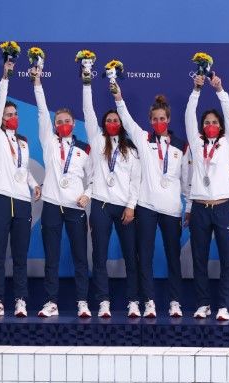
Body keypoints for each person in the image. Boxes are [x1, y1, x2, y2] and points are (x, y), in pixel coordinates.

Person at [113, 85, 188, 318]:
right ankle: (149, 302)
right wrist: (119, 97)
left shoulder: (181, 146)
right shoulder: (144, 139)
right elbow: (126, 120)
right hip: (146, 207)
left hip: (172, 210)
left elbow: (186, 181)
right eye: (154, 119)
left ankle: (175, 302)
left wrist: (189, 207)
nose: (158, 122)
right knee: (144, 256)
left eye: (162, 118)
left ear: (169, 119)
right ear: (150, 120)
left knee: (173, 257)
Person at [32, 64, 93, 318]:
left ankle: (82, 302)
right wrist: (37, 83)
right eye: (59, 122)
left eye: (67, 121)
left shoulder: (85, 149)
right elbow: (41, 111)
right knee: (52, 257)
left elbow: (95, 178)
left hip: (75, 207)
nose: (63, 124)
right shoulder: (48, 141)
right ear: (54, 125)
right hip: (51, 206)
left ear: (74, 124)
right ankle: (51, 302)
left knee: (80, 257)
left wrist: (88, 194)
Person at [0, 61, 41, 318]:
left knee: (20, 255)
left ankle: (20, 300)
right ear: (0, 118)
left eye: (15, 113)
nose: (12, 117)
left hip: (21, 202)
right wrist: (5, 77)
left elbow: (23, 169)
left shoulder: (23, 142)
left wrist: (34, 184)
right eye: (8, 114)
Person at [81, 75, 141, 318]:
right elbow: (88, 111)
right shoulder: (97, 141)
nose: (112, 123)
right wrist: (86, 84)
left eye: (116, 120)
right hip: (101, 206)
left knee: (131, 256)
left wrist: (131, 206)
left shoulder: (131, 149)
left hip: (125, 208)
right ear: (103, 124)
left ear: (121, 123)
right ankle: (103, 301)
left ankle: (133, 301)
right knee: (99, 256)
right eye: (108, 120)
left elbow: (136, 180)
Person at [184, 72, 229, 321]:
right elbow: (189, 116)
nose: (210, 125)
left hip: (223, 207)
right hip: (199, 208)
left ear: (221, 126)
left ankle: (223, 305)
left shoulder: (228, 142)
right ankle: (203, 303)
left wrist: (220, 91)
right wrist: (196, 90)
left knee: (228, 259)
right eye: (206, 122)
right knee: (199, 259)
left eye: (214, 122)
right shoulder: (196, 144)